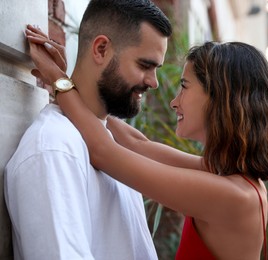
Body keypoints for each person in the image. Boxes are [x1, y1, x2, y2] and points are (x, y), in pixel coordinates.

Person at [26, 32, 268, 259]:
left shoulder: (233, 197)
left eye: (185, 86)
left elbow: (104, 153)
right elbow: (137, 143)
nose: (174, 101)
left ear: (219, 98)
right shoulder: (226, 176)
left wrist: (57, 79)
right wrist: (70, 84)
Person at [4, 0, 172, 259]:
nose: (154, 82)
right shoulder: (55, 149)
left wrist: (63, 83)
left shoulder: (112, 142)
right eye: (145, 65)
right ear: (101, 49)